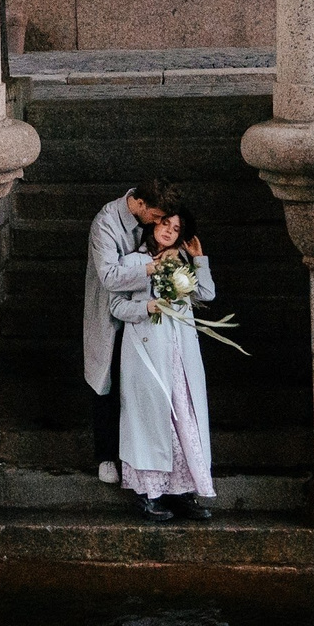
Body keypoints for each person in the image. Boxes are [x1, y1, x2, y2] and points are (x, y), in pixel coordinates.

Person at [110, 208, 216, 523]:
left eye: (176, 228)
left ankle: (182, 492)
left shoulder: (182, 262)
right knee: (150, 419)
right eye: (165, 224)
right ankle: (148, 494)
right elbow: (116, 305)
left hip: (180, 352)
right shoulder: (132, 261)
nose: (169, 231)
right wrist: (147, 306)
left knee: (184, 417)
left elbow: (207, 294)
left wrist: (198, 258)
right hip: (146, 349)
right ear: (154, 224)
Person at [83, 178, 175, 486]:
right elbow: (109, 276)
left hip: (146, 315)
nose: (157, 222)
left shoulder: (150, 219)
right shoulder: (106, 223)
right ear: (138, 203)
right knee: (106, 381)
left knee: (136, 386)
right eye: (155, 216)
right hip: (112, 311)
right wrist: (150, 268)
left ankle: (137, 457)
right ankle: (106, 456)